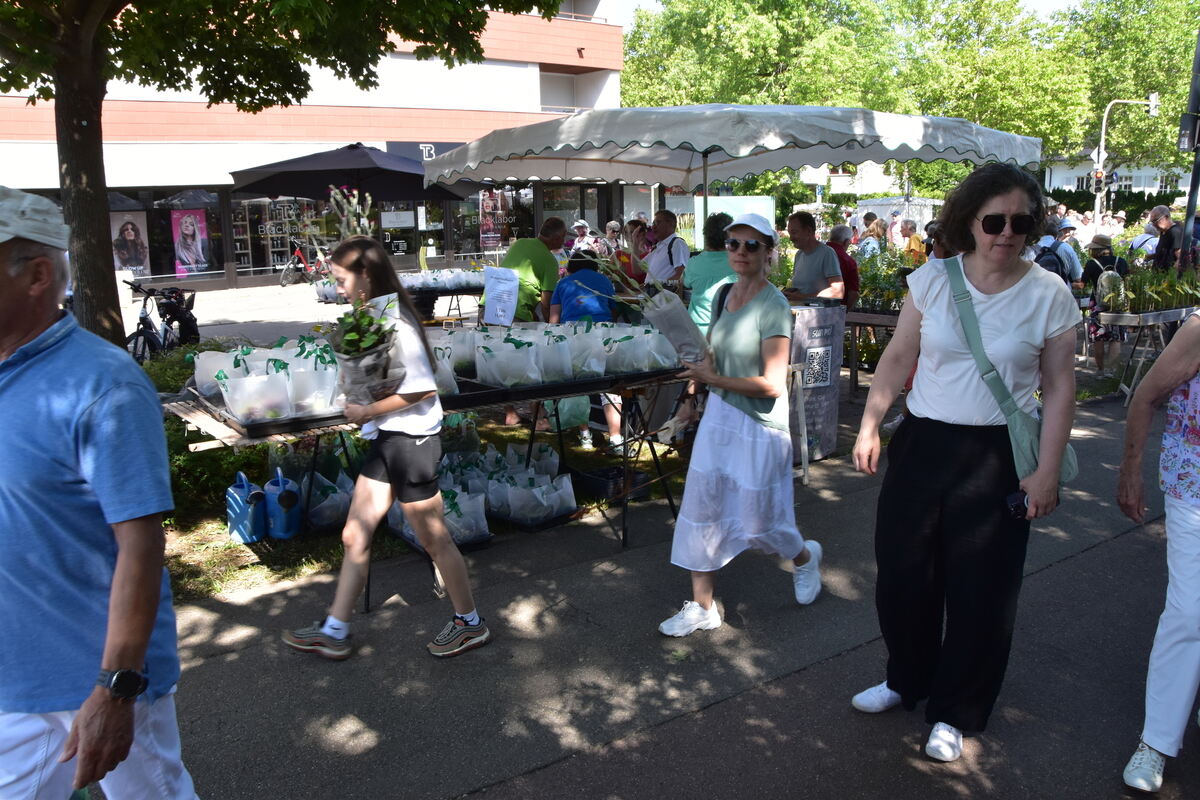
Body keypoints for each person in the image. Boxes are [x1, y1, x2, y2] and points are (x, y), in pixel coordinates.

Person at [849, 163, 1079, 763]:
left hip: (998, 454)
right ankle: (908, 679)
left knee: (982, 590)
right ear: (969, 220)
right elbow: (900, 355)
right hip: (924, 443)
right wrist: (872, 423)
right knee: (903, 576)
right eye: (994, 220)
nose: (1007, 233)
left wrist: (1046, 469)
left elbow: (1059, 388)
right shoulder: (931, 278)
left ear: (1034, 225)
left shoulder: (1049, 294)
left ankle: (956, 709)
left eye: (1021, 222)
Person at [0, 186, 197, 797]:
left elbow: (141, 547)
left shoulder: (103, 386)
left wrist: (116, 687)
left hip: (100, 678)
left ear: (36, 275)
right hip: (15, 677)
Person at [284, 236, 490, 660]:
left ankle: (470, 622)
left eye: (342, 280)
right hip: (386, 439)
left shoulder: (397, 325)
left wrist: (365, 408)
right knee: (354, 532)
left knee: (434, 539)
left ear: (366, 276)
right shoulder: (376, 320)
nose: (339, 289)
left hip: (410, 443)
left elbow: (420, 389)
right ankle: (335, 629)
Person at [658, 212, 822, 637]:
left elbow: (771, 384)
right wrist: (693, 386)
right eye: (734, 244)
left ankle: (804, 558)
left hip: (760, 427)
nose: (741, 252)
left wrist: (711, 379)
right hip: (719, 417)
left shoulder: (775, 305)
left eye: (752, 245)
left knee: (761, 523)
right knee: (702, 508)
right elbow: (710, 356)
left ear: (769, 252)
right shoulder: (722, 294)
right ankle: (702, 606)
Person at [1116, 313, 1200, 793]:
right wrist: (1131, 470)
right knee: (1189, 612)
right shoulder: (1197, 331)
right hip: (1194, 485)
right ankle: (1157, 741)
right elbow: (1145, 397)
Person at [549, 250, 622, 452]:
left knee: (580, 386)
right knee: (610, 386)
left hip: (574, 336)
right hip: (602, 335)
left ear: (571, 265)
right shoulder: (605, 281)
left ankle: (585, 433)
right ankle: (616, 437)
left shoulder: (563, 283)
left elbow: (554, 319)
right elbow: (613, 310)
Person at [681, 211, 735, 336]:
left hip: (696, 331)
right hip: (727, 332)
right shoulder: (739, 263)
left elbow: (684, 283)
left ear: (706, 235)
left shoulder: (694, 263)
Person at [1082, 234, 1128, 375]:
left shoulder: (1091, 263)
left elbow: (1082, 284)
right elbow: (1127, 280)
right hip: (1117, 305)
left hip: (1098, 304)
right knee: (1116, 338)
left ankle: (1101, 371)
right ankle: (1112, 371)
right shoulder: (1121, 261)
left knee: (1098, 337)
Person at [782, 211, 842, 303]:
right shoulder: (799, 255)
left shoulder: (827, 253)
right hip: (800, 314)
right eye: (790, 233)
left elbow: (837, 291)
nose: (791, 238)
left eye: (794, 232)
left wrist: (803, 297)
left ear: (809, 231)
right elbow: (803, 289)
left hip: (819, 315)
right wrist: (790, 292)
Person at [638, 209, 689, 284]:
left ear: (671, 224)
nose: (653, 227)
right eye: (653, 224)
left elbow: (680, 276)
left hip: (664, 295)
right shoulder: (658, 246)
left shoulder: (677, 243)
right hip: (651, 294)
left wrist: (655, 287)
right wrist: (635, 243)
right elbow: (637, 269)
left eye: (657, 223)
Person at [826, 223, 861, 309]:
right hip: (835, 308)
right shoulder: (848, 261)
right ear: (846, 242)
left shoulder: (816, 253)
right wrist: (844, 311)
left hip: (809, 307)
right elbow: (853, 293)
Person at [1150, 205, 1185, 273]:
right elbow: (1166, 252)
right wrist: (1152, 256)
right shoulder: (1163, 231)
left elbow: (1180, 257)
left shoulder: (1175, 232)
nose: (1153, 225)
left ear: (1166, 217)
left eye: (1155, 221)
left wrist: (1171, 277)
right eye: (1152, 222)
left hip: (1166, 279)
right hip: (1159, 276)